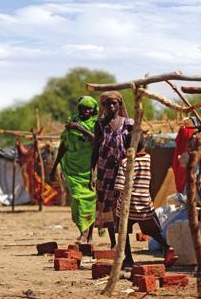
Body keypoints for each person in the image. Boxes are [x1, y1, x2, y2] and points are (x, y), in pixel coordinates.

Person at [114, 134, 178, 268]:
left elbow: (120, 186)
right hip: (144, 202)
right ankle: (167, 247)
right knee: (152, 231)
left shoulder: (125, 163)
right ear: (143, 146)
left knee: (123, 231)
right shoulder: (148, 158)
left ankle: (128, 258)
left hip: (128, 204)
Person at [51, 96, 98, 243]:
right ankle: (83, 233)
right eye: (82, 108)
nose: (85, 111)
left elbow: (97, 141)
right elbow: (63, 146)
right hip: (71, 169)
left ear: (94, 110)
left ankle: (88, 236)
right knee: (77, 201)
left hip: (88, 169)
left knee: (89, 202)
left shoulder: (97, 124)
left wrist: (80, 129)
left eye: (88, 108)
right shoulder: (72, 122)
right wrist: (54, 167)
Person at [90, 91, 133, 248]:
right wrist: (91, 172)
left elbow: (133, 147)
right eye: (108, 104)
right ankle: (114, 243)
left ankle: (124, 244)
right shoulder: (99, 124)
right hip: (104, 171)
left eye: (115, 103)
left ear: (120, 105)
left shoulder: (128, 123)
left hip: (122, 171)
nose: (112, 106)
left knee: (122, 206)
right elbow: (95, 149)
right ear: (103, 106)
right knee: (107, 206)